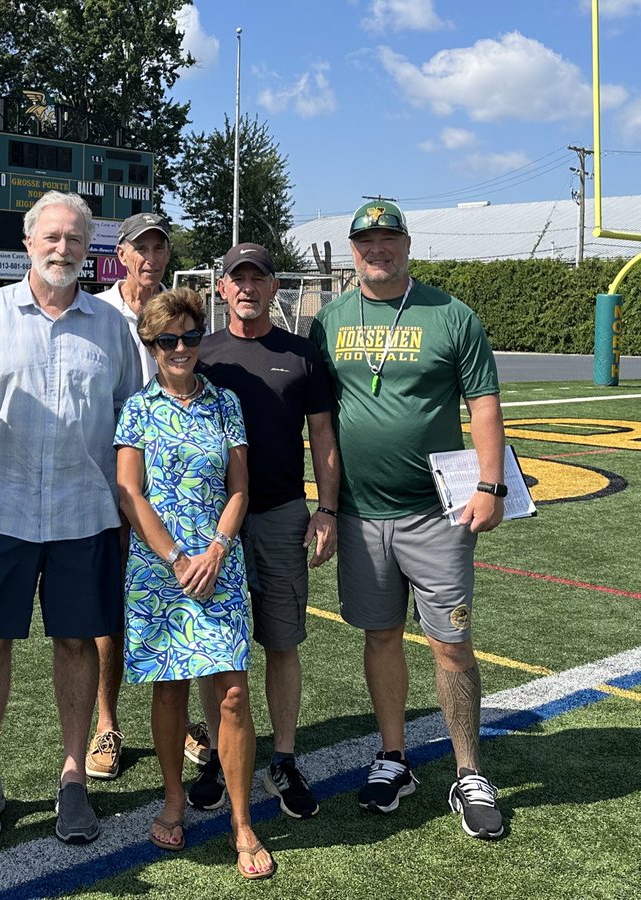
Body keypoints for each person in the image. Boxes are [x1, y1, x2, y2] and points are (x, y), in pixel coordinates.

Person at [0, 191, 140, 846]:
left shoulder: (112, 329)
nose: (63, 248)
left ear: (90, 250)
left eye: (75, 239)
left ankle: (74, 777)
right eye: (51, 236)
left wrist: (134, 510)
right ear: (27, 244)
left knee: (77, 642)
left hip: (87, 513)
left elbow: (133, 423)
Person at [308, 199, 507, 840]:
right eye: (367, 241)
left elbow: (482, 404)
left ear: (407, 243)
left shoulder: (451, 314)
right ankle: (394, 757)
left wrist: (491, 484)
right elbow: (321, 422)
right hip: (363, 516)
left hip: (436, 514)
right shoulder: (330, 319)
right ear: (352, 248)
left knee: (451, 643)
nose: (378, 249)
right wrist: (328, 505)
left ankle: (469, 769)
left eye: (388, 238)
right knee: (381, 637)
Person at [116, 287, 275, 880]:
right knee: (171, 692)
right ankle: (175, 799)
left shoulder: (225, 403)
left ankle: (241, 820)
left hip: (220, 566)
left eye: (188, 337)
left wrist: (216, 548)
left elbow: (240, 486)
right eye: (167, 340)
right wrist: (177, 557)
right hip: (160, 573)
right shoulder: (137, 409)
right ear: (151, 345)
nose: (180, 348)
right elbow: (130, 492)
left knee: (232, 694)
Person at [187, 242, 341, 819]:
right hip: (213, 517)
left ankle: (282, 755)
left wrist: (326, 510)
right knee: (212, 645)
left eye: (258, 278)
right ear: (221, 288)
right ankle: (217, 755)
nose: (247, 287)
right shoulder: (200, 353)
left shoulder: (300, 354)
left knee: (281, 640)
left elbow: (323, 435)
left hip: (280, 513)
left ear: (276, 287)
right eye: (237, 278)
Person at [86, 211, 171, 780]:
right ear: (121, 252)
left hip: (170, 490)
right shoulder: (96, 311)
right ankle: (106, 723)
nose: (150, 257)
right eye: (141, 246)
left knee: (172, 604)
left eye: (158, 246)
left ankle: (180, 718)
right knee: (107, 611)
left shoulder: (180, 308)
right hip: (108, 487)